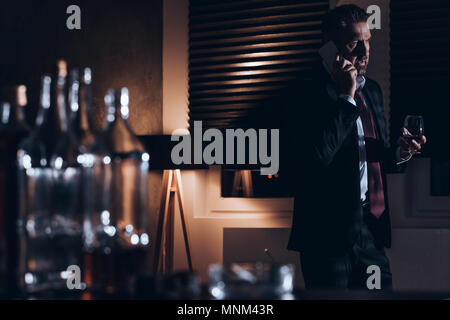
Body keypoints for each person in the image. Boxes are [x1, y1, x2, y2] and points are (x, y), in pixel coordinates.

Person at [283, 4, 427, 290]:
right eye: (354, 43)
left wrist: (401, 152)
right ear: (329, 48)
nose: (364, 51)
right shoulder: (305, 91)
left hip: (369, 233)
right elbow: (318, 155)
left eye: (368, 41)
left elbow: (373, 157)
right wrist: (346, 98)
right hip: (327, 239)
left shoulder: (371, 89)